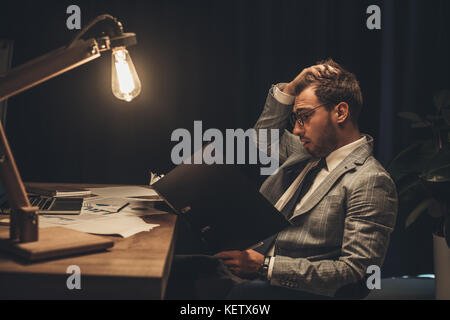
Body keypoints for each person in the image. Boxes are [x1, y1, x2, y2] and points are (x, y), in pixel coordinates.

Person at [166, 59, 398, 300]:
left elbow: (356, 272)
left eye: (304, 116)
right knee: (164, 271)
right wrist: (290, 88)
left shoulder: (370, 180)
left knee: (237, 295)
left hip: (288, 287)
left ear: (340, 112)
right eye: (296, 119)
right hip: (245, 262)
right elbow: (262, 139)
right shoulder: (307, 151)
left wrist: (266, 266)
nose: (297, 130)